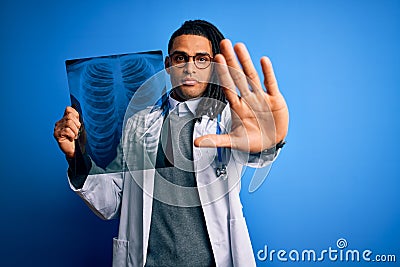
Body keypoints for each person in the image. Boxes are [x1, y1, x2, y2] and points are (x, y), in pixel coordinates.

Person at [54, 20, 289, 267]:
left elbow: (256, 154)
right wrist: (75, 157)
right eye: (180, 58)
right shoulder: (138, 124)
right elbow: (110, 203)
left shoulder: (230, 120)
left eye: (201, 59)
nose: (190, 68)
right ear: (167, 66)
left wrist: (270, 140)